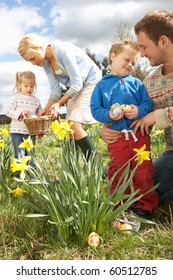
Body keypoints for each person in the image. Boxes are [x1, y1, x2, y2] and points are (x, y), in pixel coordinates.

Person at [101, 9, 173, 208]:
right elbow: (138, 118)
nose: (141, 55)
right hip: (171, 153)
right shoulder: (149, 83)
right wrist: (112, 126)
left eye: (143, 47)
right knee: (149, 189)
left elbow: (151, 118)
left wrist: (154, 117)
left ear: (163, 41)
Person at [91, 40, 158, 218]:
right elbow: (95, 110)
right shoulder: (101, 85)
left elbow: (147, 104)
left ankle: (144, 205)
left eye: (133, 63)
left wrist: (138, 111)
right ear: (113, 56)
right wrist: (109, 115)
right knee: (118, 171)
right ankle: (119, 203)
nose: (130, 65)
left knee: (143, 171)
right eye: (127, 59)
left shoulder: (136, 83)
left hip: (139, 136)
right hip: (117, 138)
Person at [18, 34, 102, 160]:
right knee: (69, 129)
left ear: (39, 47)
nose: (33, 63)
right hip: (77, 87)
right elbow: (55, 90)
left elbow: (77, 82)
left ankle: (97, 168)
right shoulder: (46, 64)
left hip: (91, 83)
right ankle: (71, 170)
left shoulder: (62, 51)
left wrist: (59, 104)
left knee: (74, 124)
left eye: (33, 58)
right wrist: (46, 109)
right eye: (30, 61)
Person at [6, 71, 42, 161]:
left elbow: (40, 117)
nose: (29, 89)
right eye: (26, 86)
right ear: (19, 85)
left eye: (32, 86)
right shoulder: (16, 98)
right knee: (19, 155)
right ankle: (19, 174)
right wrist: (20, 114)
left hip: (31, 132)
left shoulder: (36, 100)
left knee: (31, 155)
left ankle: (31, 174)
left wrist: (40, 129)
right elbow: (8, 111)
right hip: (17, 131)